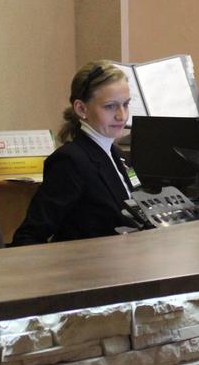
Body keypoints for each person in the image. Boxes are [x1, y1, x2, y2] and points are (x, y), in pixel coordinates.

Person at [11, 61, 135, 245]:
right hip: (91, 261)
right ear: (81, 109)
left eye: (125, 104)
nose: (122, 115)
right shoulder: (70, 161)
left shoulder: (116, 153)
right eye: (110, 106)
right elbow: (29, 236)